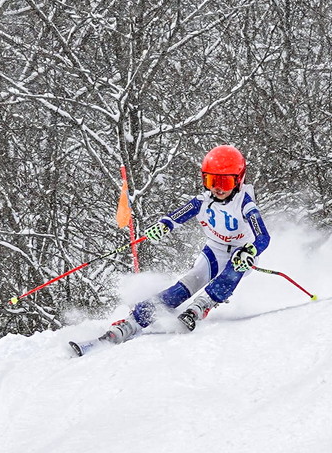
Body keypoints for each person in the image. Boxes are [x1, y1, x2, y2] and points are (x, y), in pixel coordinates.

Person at [92, 144, 271, 349]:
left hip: (242, 252)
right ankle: (134, 321)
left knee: (234, 269)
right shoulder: (203, 200)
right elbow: (177, 215)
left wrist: (251, 250)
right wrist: (162, 226)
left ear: (239, 180)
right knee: (185, 284)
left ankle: (203, 304)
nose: (218, 188)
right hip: (215, 250)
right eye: (211, 181)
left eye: (225, 181)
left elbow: (263, 237)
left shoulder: (244, 202)